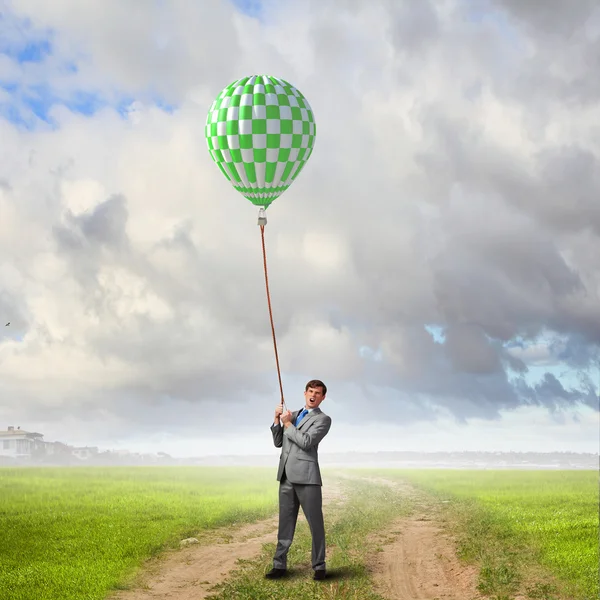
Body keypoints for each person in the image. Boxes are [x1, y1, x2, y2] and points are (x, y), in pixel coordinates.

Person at [265, 379, 332, 581]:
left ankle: (319, 566)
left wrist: (287, 424)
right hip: (286, 476)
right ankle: (279, 565)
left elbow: (306, 441)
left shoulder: (323, 419)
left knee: (315, 523)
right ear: (304, 393)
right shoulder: (291, 415)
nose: (313, 395)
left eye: (317, 393)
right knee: (285, 523)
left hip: (307, 478)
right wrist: (277, 420)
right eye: (310, 391)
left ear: (323, 397)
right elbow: (278, 443)